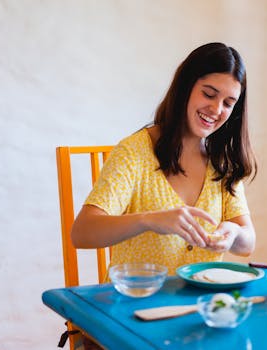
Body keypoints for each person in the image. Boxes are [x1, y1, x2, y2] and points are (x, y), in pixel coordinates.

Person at [71, 42, 257, 277]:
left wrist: (234, 234)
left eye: (228, 104)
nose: (216, 109)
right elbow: (82, 233)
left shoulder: (221, 162)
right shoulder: (134, 152)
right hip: (135, 304)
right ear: (185, 87)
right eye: (209, 94)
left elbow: (247, 244)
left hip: (197, 306)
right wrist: (148, 220)